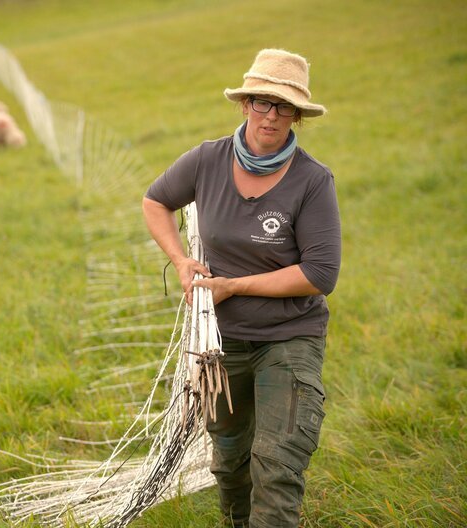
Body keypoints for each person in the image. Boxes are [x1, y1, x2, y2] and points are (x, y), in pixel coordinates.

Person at [142, 49, 341, 527]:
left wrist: (235, 285)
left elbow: (320, 274)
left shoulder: (313, 181)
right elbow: (155, 201)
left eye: (284, 106)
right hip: (220, 342)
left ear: (297, 115)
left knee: (277, 463)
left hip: (289, 337)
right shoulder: (207, 160)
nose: (271, 115)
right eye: (261, 102)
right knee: (230, 461)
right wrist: (181, 261)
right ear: (245, 104)